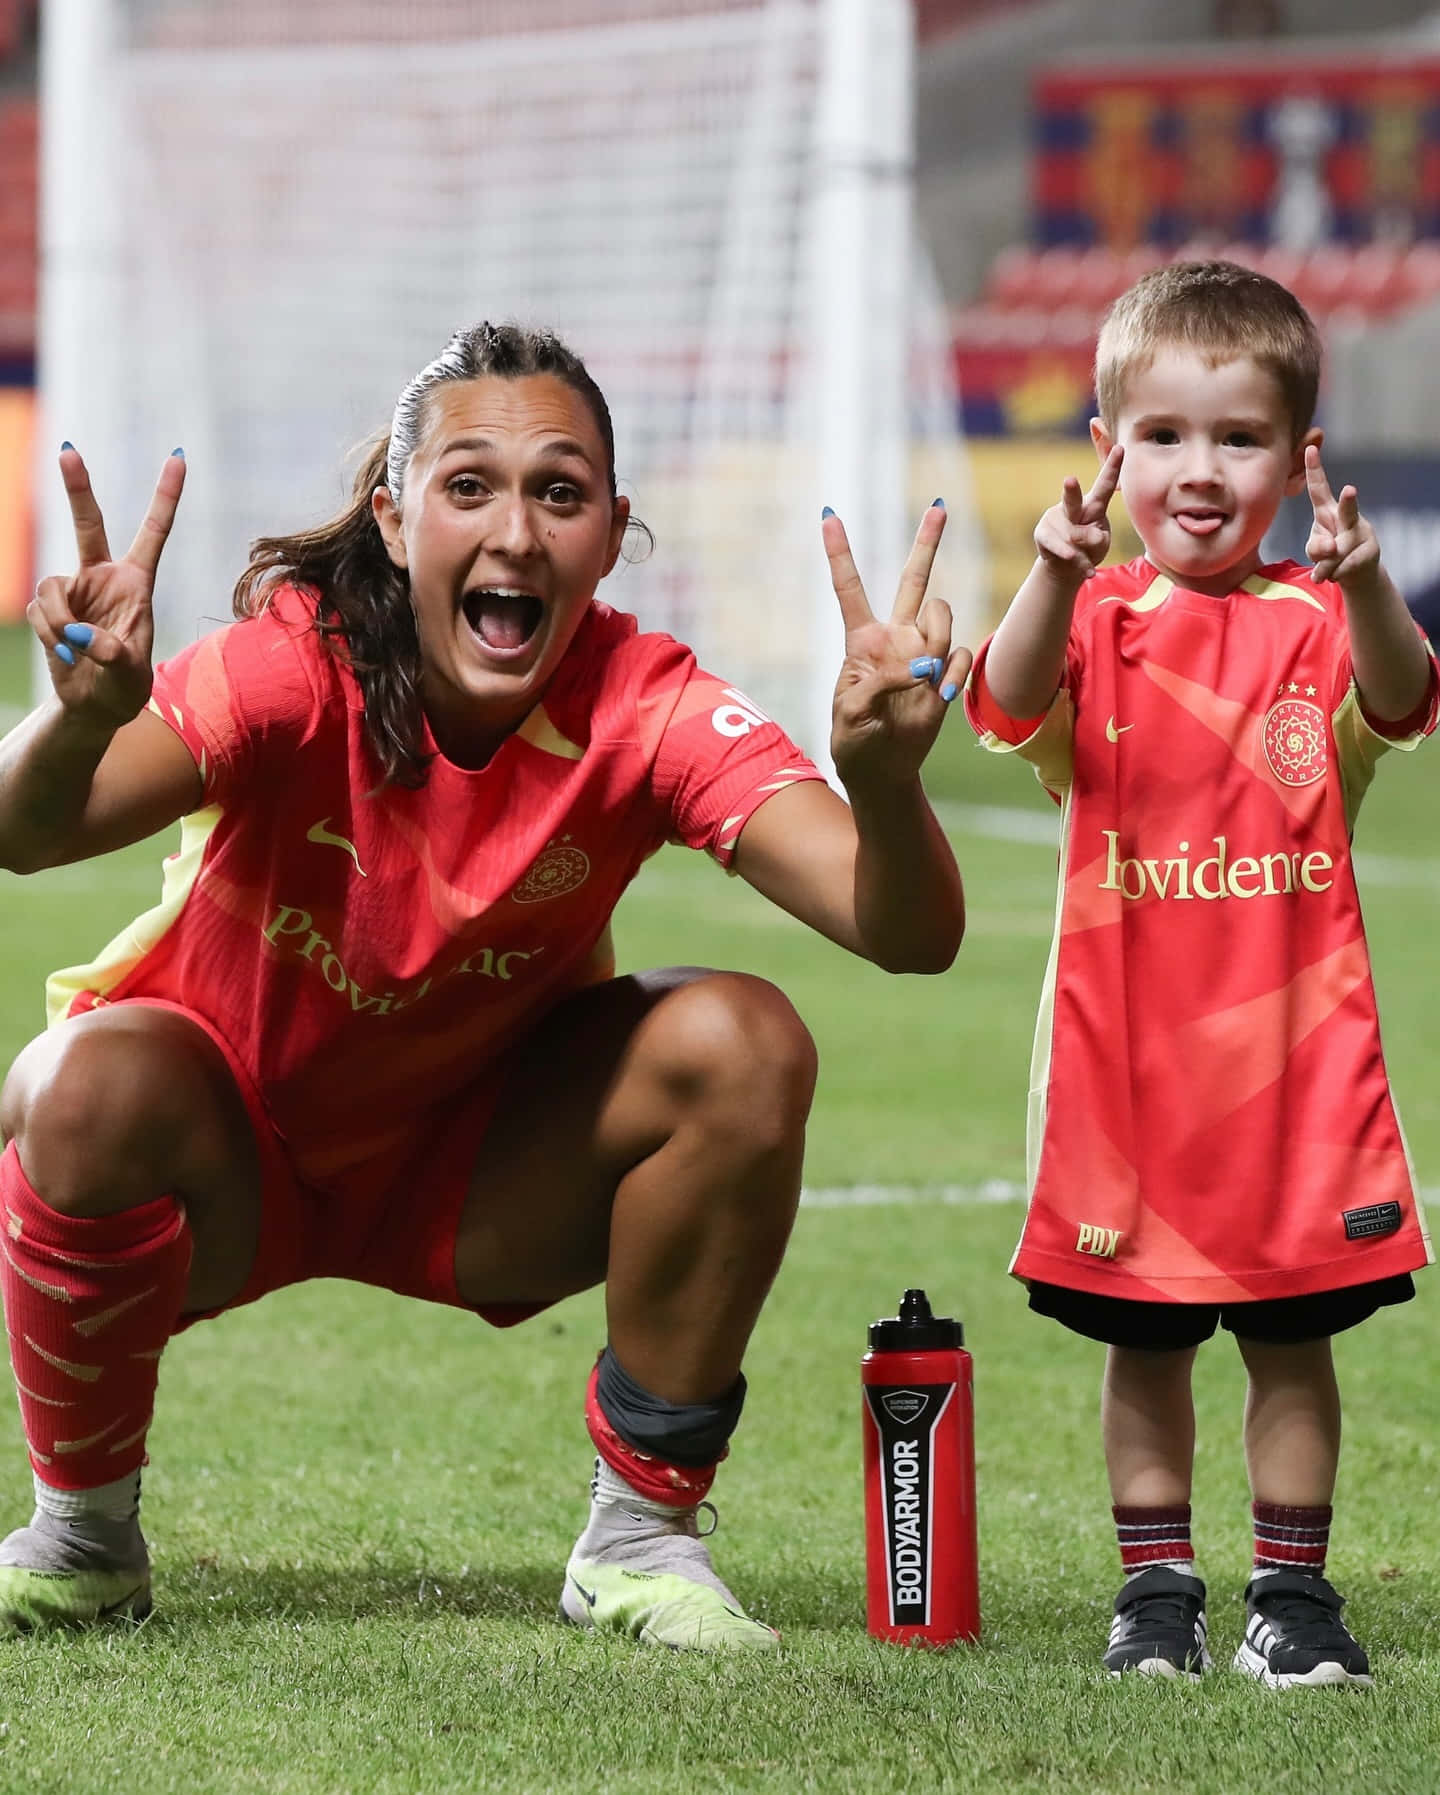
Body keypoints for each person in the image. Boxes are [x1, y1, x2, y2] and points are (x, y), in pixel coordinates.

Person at [0, 322, 971, 1648]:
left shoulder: (648, 704)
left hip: (476, 1185)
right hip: (228, 1169)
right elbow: (27, 830)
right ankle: (84, 1537)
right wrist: (76, 719)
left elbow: (901, 929)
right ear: (396, 522)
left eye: (558, 493)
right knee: (75, 1084)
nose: (515, 532)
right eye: (471, 487)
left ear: (615, 532)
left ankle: (638, 1541)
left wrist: (887, 782)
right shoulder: (296, 659)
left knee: (742, 1042)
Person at [965, 261, 1437, 1688]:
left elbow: (1408, 702)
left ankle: (1291, 1601)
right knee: (1149, 1353)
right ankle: (1154, 1596)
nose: (1199, 469)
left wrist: (1368, 592)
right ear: (1109, 451)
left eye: (1238, 439)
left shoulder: (1314, 625)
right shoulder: (1094, 621)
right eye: (1161, 435)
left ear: (1297, 462)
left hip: (1296, 1095)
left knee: (1295, 1351)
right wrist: (1051, 567)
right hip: (1129, 1092)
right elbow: (1004, 701)